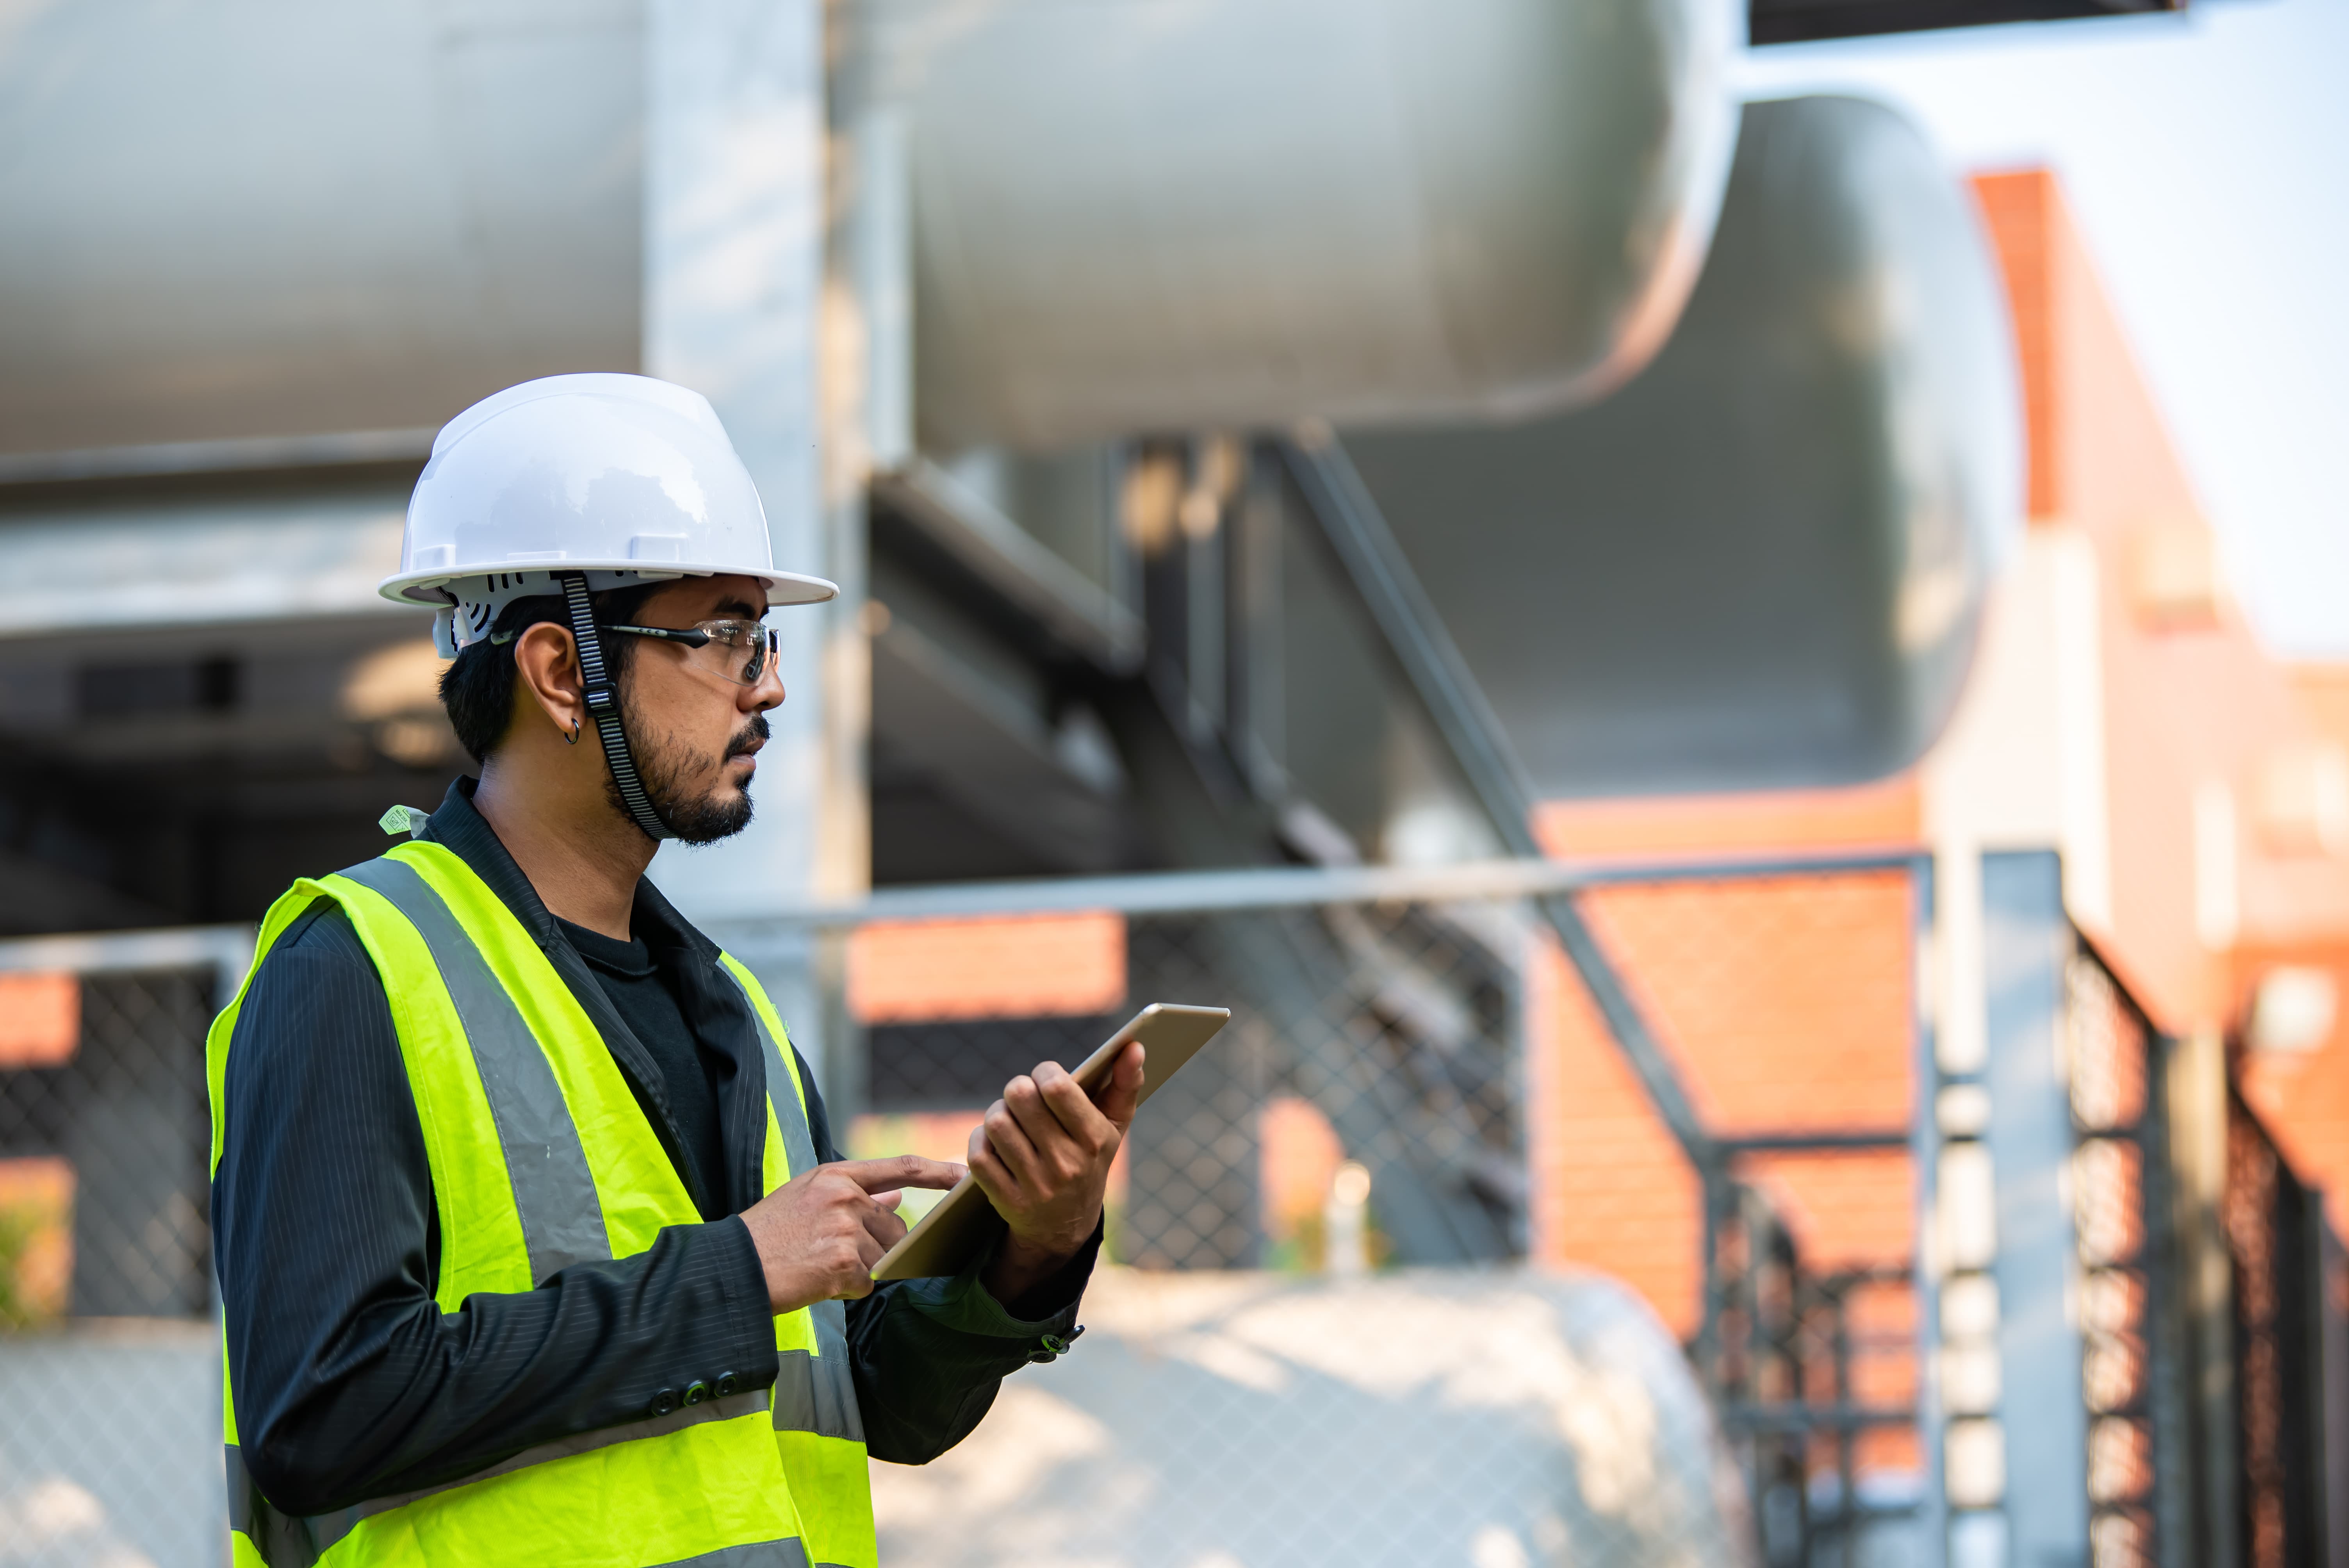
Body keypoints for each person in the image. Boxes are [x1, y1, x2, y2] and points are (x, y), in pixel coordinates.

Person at [207, 373, 1142, 1568]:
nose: (770, 683)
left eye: (765, 633)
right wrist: (734, 1275)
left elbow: (875, 1408)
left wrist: (1033, 1247)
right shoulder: (354, 970)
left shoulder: (735, 1014)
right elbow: (321, 1412)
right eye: (721, 636)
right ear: (558, 671)